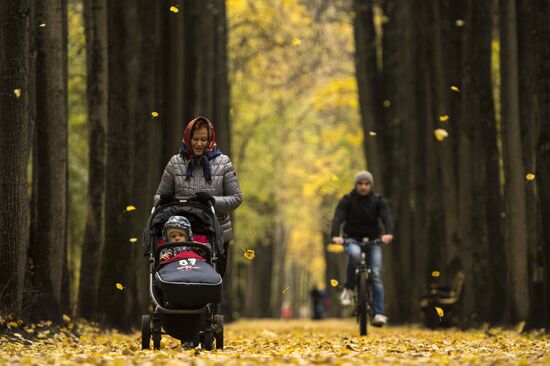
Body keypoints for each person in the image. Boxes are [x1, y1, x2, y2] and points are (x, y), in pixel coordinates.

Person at [154, 116, 242, 276]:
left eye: (204, 139)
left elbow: (236, 198)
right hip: (178, 230)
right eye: (195, 139)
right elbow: (158, 197)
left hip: (215, 232)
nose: (199, 143)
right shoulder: (175, 163)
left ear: (210, 139)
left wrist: (212, 201)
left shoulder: (224, 163)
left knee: (212, 277)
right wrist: (165, 199)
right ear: (188, 138)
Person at [330, 170, 394, 327]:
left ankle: (378, 313)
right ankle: (350, 288)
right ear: (356, 185)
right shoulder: (347, 200)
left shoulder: (379, 201)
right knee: (355, 255)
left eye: (367, 184)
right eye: (360, 184)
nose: (363, 187)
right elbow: (338, 218)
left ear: (371, 185)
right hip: (352, 240)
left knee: (377, 274)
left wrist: (389, 233)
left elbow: (387, 218)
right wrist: (335, 235)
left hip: (374, 241)